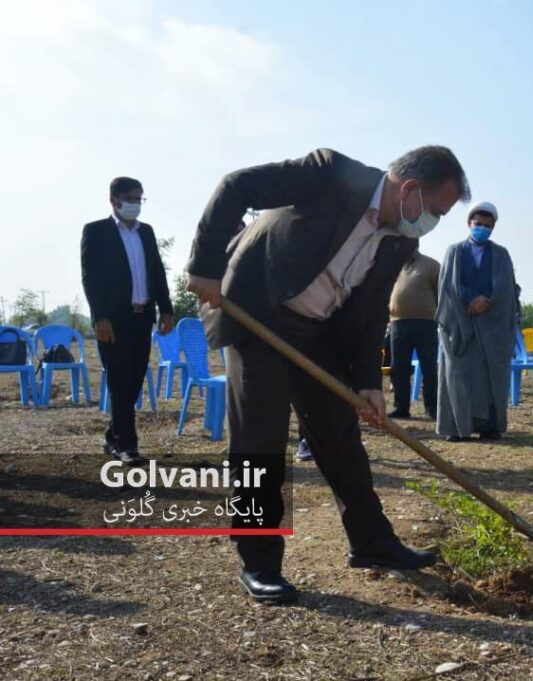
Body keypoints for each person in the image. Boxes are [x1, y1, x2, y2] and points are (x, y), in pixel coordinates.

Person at [186, 146, 469, 603]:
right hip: (258, 311)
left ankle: (372, 543)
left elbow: (372, 309)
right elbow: (236, 185)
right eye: (435, 210)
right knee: (260, 441)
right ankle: (258, 563)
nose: (432, 222)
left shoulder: (400, 238)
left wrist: (368, 383)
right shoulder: (332, 173)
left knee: (339, 436)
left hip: (316, 331)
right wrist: (204, 267)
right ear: (411, 189)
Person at [81, 177, 174, 464]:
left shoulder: (146, 232)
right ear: (114, 200)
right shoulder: (96, 232)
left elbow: (156, 272)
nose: (136, 204)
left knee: (134, 380)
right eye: (132, 198)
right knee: (120, 381)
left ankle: (113, 435)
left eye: (140, 199)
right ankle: (127, 445)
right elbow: (90, 278)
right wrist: (100, 318)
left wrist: (166, 309)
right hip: (114, 321)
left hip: (141, 317)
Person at [436, 201, 518, 442]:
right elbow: (447, 286)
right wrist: (469, 300)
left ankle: (489, 426)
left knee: (490, 375)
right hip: (458, 325)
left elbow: (505, 288)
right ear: (469, 224)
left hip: (491, 324)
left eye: (487, 225)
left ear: (493, 227)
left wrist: (487, 301)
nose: (481, 228)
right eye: (477, 224)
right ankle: (456, 427)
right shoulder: (454, 251)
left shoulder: (501, 254)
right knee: (458, 374)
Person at [387, 249, 441, 420]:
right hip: (397, 323)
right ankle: (401, 407)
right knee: (398, 368)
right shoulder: (392, 266)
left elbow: (441, 293)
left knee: (429, 367)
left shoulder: (431, 265)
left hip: (425, 323)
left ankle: (432, 407)